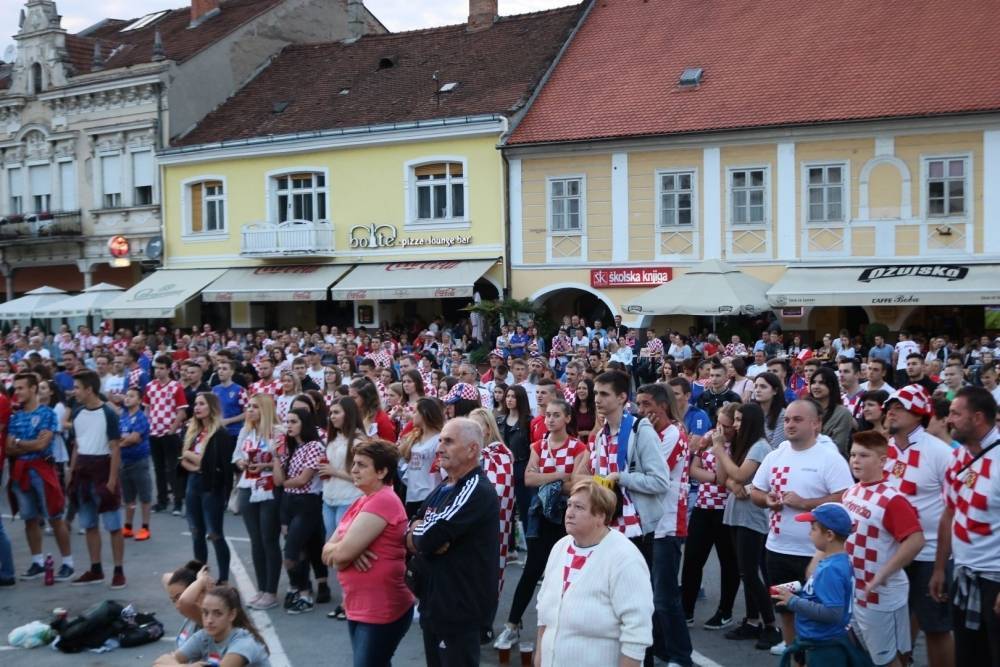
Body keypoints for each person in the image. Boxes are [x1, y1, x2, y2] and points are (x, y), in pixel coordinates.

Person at [751, 400, 854, 655]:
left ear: (816, 424)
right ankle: (793, 654)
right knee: (785, 610)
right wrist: (768, 500)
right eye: (787, 420)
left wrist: (806, 504)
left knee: (817, 614)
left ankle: (815, 658)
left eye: (797, 419)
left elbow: (845, 498)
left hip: (816, 555)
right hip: (777, 549)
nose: (790, 424)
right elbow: (756, 491)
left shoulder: (830, 459)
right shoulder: (776, 455)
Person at [494, 397, 587, 650]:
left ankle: (566, 631)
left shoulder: (579, 448)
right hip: (541, 517)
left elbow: (577, 484)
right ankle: (512, 625)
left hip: (568, 518)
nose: (551, 419)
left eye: (557, 415)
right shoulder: (538, 445)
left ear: (567, 418)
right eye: (548, 415)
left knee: (568, 574)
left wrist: (546, 479)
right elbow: (528, 479)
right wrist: (559, 476)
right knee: (532, 570)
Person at [406, 417, 500, 667]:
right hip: (434, 603)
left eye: (448, 441)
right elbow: (411, 527)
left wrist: (422, 534)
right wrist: (420, 533)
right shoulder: (445, 487)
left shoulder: (476, 489)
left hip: (458, 610)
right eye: (440, 441)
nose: (439, 448)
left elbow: (426, 537)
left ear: (472, 450)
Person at [534, 479, 654, 667]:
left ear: (600, 516)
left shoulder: (625, 557)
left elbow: (637, 632)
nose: (569, 513)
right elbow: (544, 610)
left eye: (579, 507)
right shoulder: (560, 547)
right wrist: (540, 654)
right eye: (569, 505)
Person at [322, 440, 414, 667]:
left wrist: (346, 552)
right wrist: (348, 550)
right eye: (354, 464)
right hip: (359, 606)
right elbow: (326, 552)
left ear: (382, 471)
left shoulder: (383, 500)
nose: (354, 470)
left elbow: (340, 557)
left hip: (380, 607)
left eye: (362, 465)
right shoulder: (362, 500)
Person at [882, 385, 956, 667]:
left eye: (899, 406)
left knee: (936, 627)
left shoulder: (940, 453)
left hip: (928, 554)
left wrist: (941, 564)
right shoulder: (883, 449)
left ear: (919, 413)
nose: (891, 410)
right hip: (891, 551)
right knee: (896, 623)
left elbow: (954, 509)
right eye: (890, 405)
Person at [842, 430, 924, 667]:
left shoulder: (892, 499)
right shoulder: (852, 491)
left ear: (882, 460)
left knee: (888, 660)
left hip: (881, 595)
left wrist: (882, 574)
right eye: (853, 454)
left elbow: (916, 540)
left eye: (864, 455)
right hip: (856, 590)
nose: (856, 460)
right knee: (865, 654)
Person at [932, 387, 1000, 666]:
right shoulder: (957, 459)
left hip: (995, 580)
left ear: (978, 417)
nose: (949, 420)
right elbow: (949, 514)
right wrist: (939, 568)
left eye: (956, 414)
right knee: (970, 656)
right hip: (963, 572)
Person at [713, 403, 782, 649]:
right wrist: (732, 481)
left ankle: (771, 625)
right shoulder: (742, 445)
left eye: (740, 420)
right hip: (736, 513)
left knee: (751, 572)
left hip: (753, 517)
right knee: (745, 571)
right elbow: (725, 478)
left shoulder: (760, 446)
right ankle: (753, 621)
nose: (736, 425)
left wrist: (720, 451)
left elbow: (741, 475)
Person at [635, 382, 694, 667]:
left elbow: (650, 474)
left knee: (665, 596)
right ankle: (662, 648)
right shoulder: (650, 433)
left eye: (648, 405)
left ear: (664, 406)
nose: (642, 411)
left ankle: (681, 656)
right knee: (649, 595)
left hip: (668, 523)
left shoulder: (673, 434)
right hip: (648, 523)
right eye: (639, 405)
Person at [770, 504, 859, 666]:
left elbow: (832, 612)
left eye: (813, 528)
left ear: (829, 535)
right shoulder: (837, 561)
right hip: (824, 641)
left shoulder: (831, 569)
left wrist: (793, 601)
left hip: (825, 645)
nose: (809, 533)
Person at [7, 372, 74, 581]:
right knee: (29, 519)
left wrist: (19, 442)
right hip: (22, 471)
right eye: (15, 388)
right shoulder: (15, 416)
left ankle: (68, 562)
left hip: (42, 470)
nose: (16, 392)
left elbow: (42, 445)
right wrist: (26, 444)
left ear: (33, 388)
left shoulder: (47, 414)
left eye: (20, 388)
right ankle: (37, 561)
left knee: (54, 517)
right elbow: (9, 448)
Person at [66, 370, 126, 588]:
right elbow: (77, 445)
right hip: (83, 472)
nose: (74, 392)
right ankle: (96, 569)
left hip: (102, 470)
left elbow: (115, 447)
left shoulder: (108, 414)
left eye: (77, 388)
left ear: (89, 389)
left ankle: (119, 571)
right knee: (89, 524)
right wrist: (71, 472)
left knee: (113, 526)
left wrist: (111, 480)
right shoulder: (78, 412)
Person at [681, 403, 739, 629]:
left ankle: (725, 611)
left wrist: (719, 452)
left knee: (728, 562)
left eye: (726, 425)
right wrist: (715, 478)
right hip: (704, 506)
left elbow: (727, 476)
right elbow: (693, 469)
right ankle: (686, 610)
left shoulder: (738, 444)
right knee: (693, 560)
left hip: (726, 509)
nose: (720, 429)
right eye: (718, 423)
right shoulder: (710, 436)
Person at [273, 407, 327, 615]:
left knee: (291, 551)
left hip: (307, 503)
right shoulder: (292, 447)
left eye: (293, 422)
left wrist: (286, 482)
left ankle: (302, 591)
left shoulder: (314, 446)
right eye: (287, 422)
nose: (289, 426)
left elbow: (303, 479)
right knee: (300, 548)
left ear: (304, 423)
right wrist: (277, 456)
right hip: (289, 502)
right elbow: (278, 480)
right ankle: (301, 590)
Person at [232, 393, 283, 611]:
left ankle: (271, 591)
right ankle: (261, 588)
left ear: (265, 409)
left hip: (269, 488)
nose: (250, 410)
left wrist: (265, 465)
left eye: (254, 407)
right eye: (249, 406)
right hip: (247, 486)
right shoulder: (246, 430)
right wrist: (242, 461)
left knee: (268, 539)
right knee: (255, 540)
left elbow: (283, 461)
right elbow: (235, 456)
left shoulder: (277, 432)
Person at [181, 392, 235, 586]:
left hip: (212, 487)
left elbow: (214, 464)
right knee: (196, 531)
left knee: (215, 533)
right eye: (195, 404)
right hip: (193, 483)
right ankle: (200, 576)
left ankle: (224, 579)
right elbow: (183, 460)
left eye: (201, 404)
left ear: (211, 407)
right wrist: (197, 465)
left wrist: (194, 459)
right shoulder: (192, 431)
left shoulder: (220, 433)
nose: (197, 407)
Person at [155, 585, 271, 666]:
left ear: (231, 615)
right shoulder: (203, 636)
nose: (209, 620)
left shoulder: (243, 644)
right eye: (205, 613)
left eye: (217, 613)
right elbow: (159, 663)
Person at [468, 408, 516, 597]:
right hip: (467, 526)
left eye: (476, 426)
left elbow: (499, 493)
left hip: (490, 527)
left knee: (487, 572)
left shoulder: (500, 455)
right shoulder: (467, 453)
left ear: (487, 430)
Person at [145, 355, 189, 515]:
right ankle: (162, 500)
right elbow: (147, 408)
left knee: (172, 468)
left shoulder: (176, 387)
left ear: (169, 369)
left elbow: (182, 411)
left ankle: (178, 502)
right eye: (156, 368)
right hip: (154, 432)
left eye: (162, 368)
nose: (158, 371)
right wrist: (147, 426)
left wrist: (172, 429)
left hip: (170, 433)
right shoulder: (150, 386)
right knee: (158, 468)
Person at [498, 384, 533, 545]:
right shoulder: (500, 420)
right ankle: (509, 546)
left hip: (522, 466)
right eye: (508, 396)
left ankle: (530, 546)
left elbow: (532, 447)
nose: (510, 400)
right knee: (505, 508)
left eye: (513, 397)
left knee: (525, 508)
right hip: (504, 468)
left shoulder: (528, 422)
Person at [399, 398, 445, 518]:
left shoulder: (439, 439)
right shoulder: (416, 437)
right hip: (412, 494)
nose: (412, 416)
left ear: (424, 413)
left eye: (415, 412)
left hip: (429, 494)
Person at [118, 386, 153, 542]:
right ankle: (128, 526)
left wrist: (121, 442)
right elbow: (118, 437)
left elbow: (134, 438)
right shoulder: (122, 416)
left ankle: (145, 527)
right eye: (126, 396)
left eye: (131, 396)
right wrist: (125, 441)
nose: (127, 398)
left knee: (144, 496)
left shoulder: (141, 417)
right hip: (124, 461)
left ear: (139, 400)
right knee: (128, 497)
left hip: (139, 461)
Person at [808, 367, 856, 457]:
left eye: (822, 383)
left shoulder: (843, 413)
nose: (816, 386)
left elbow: (838, 446)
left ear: (831, 385)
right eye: (814, 382)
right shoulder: (805, 409)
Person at [161, 560, 206, 652]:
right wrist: (188, 571)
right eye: (174, 600)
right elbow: (165, 577)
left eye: (180, 597)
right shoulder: (190, 618)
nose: (178, 605)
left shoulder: (203, 618)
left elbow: (185, 602)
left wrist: (202, 580)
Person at [696, 362, 742, 426]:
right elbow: (698, 418)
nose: (714, 379)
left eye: (718, 375)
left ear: (726, 377)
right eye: (712, 375)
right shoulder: (703, 396)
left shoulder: (734, 398)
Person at [753, 372, 787, 449]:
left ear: (775, 391)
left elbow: (776, 447)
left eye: (763, 387)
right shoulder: (752, 412)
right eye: (756, 386)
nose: (757, 390)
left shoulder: (782, 415)